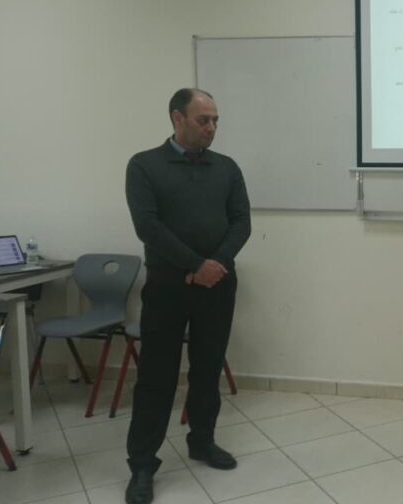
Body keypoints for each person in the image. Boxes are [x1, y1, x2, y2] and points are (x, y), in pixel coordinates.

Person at [123, 88, 251, 504]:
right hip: (167, 286)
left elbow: (241, 222)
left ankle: (202, 440)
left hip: (218, 284)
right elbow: (148, 226)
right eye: (203, 120)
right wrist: (196, 264)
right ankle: (143, 463)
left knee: (208, 368)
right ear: (177, 119)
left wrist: (216, 264)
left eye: (215, 120)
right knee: (156, 376)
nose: (212, 128)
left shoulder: (226, 167)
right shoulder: (144, 165)